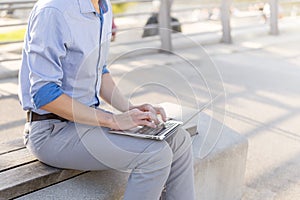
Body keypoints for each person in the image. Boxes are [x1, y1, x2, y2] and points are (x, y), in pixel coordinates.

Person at [18, 0, 195, 199]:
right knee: (155, 156)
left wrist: (131, 109)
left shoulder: (103, 8)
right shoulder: (53, 10)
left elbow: (99, 71)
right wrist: (113, 120)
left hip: (90, 123)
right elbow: (43, 94)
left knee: (179, 139)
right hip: (52, 131)